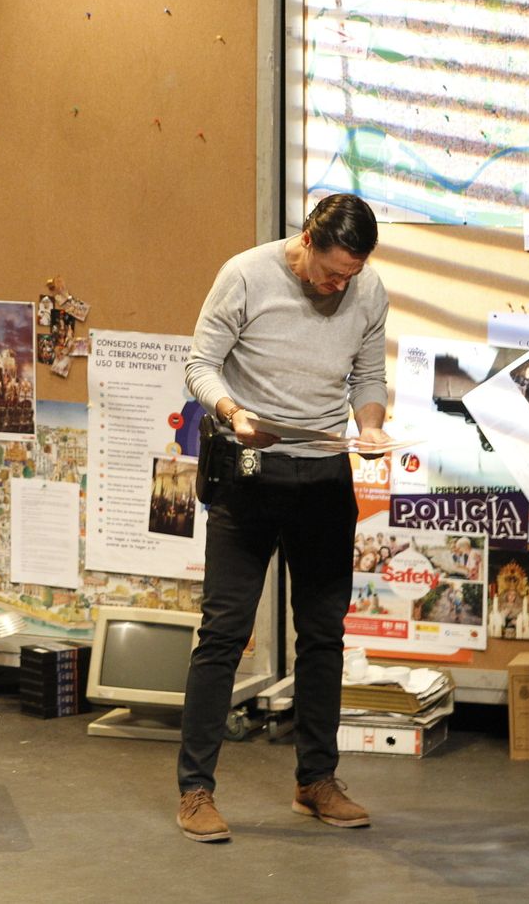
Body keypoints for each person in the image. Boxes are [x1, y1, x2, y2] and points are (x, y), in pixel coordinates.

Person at [175, 193, 390, 843]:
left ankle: (316, 780)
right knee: (224, 631)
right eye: (331, 273)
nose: (339, 286)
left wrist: (371, 427)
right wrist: (233, 413)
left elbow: (367, 377)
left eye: (350, 275)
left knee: (323, 633)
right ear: (307, 241)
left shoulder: (368, 290)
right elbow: (200, 365)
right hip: (248, 471)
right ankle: (195, 790)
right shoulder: (246, 274)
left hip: (324, 474)